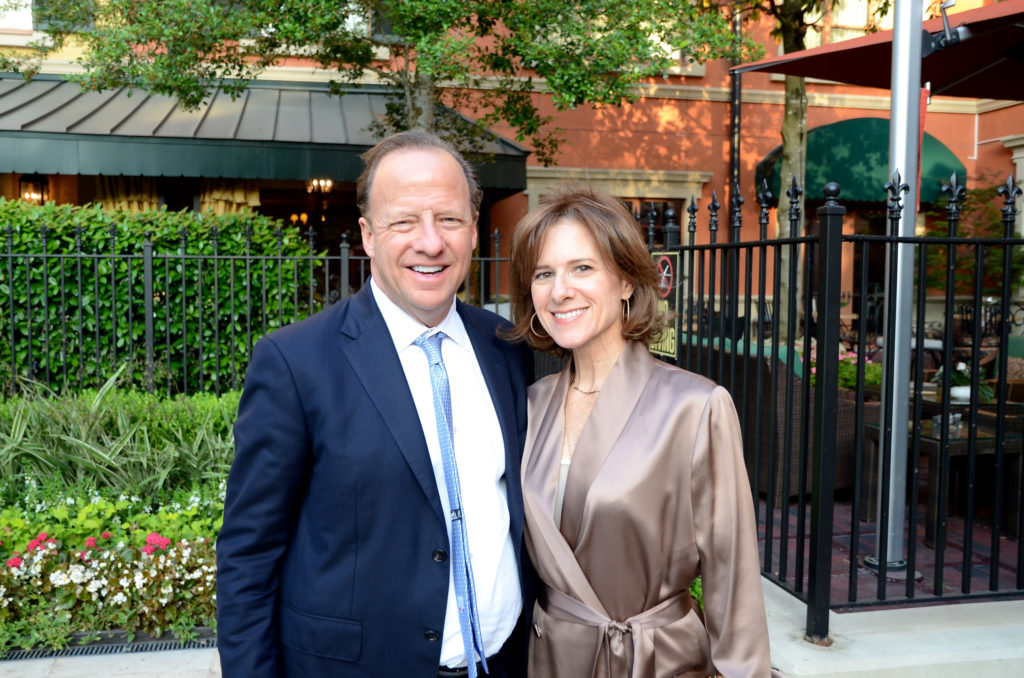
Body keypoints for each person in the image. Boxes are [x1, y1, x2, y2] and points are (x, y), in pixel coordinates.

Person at [217, 131, 533, 677]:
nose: (430, 242)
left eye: (449, 219)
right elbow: (248, 555)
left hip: (502, 663)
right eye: (404, 221)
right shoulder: (295, 362)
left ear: (474, 229)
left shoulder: (509, 347)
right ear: (366, 234)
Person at [506, 185, 779, 677]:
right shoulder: (528, 404)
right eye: (544, 274)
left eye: (582, 268)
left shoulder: (695, 406)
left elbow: (731, 576)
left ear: (628, 281)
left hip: (655, 663)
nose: (559, 290)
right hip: (549, 661)